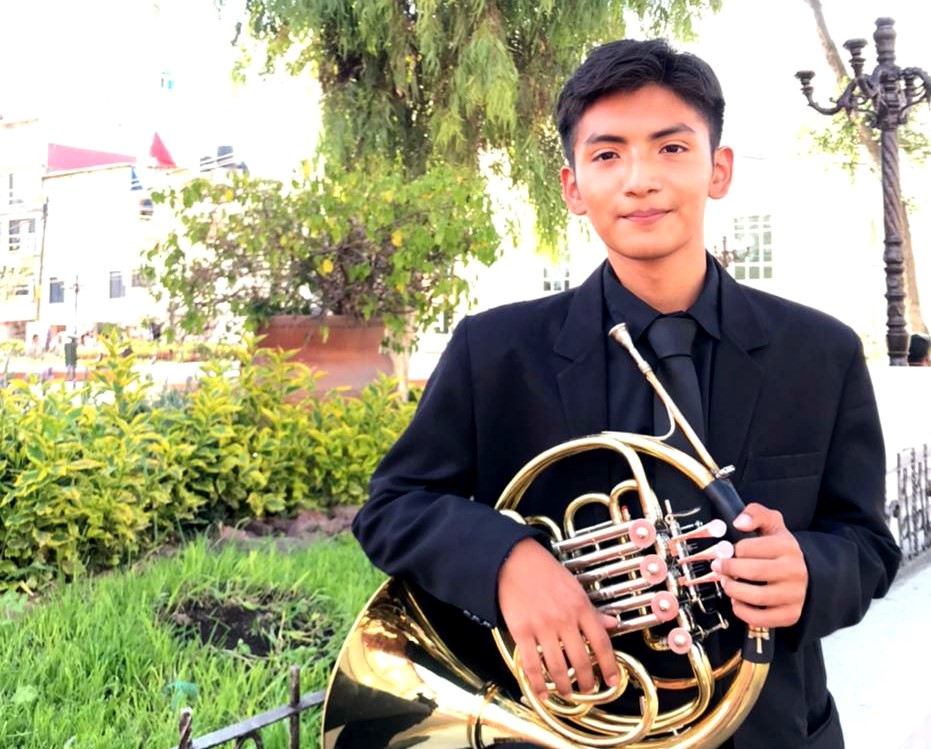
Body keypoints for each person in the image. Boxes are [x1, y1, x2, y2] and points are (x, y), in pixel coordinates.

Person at [353, 38, 900, 748]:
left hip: (776, 731)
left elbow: (866, 544)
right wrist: (510, 561)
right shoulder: (495, 350)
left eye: (671, 148)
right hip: (571, 726)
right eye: (608, 154)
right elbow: (392, 507)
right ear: (573, 187)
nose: (640, 180)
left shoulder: (820, 352)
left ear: (719, 170)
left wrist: (809, 572)